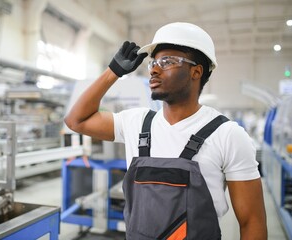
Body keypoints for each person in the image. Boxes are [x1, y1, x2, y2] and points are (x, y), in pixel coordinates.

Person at [64, 22, 267, 240]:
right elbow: (76, 120)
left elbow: (252, 222)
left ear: (196, 71)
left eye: (167, 61)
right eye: (153, 62)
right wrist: (113, 72)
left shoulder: (228, 135)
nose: (153, 68)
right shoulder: (137, 123)